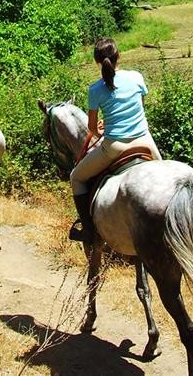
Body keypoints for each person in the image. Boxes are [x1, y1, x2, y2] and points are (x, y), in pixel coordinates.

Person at [68, 37, 162, 243]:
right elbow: (139, 108)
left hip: (115, 146)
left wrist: (101, 129)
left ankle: (88, 231)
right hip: (145, 141)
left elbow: (91, 129)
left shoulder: (95, 90)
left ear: (97, 62)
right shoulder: (137, 77)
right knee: (164, 176)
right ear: (118, 56)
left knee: (76, 177)